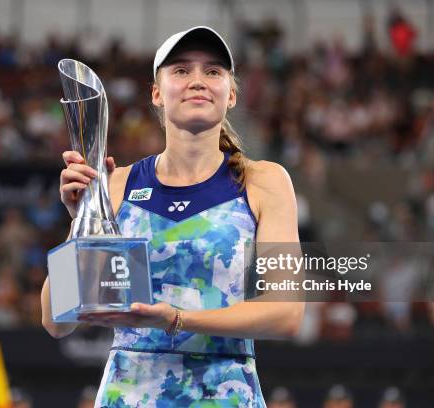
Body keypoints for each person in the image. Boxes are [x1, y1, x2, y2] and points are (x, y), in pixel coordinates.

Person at [41, 25, 304, 406]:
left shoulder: (265, 181)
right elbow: (56, 322)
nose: (197, 80)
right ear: (156, 93)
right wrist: (80, 224)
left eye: (212, 71)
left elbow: (286, 313)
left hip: (225, 393)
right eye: (181, 70)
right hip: (128, 394)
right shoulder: (116, 184)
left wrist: (176, 319)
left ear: (230, 94)